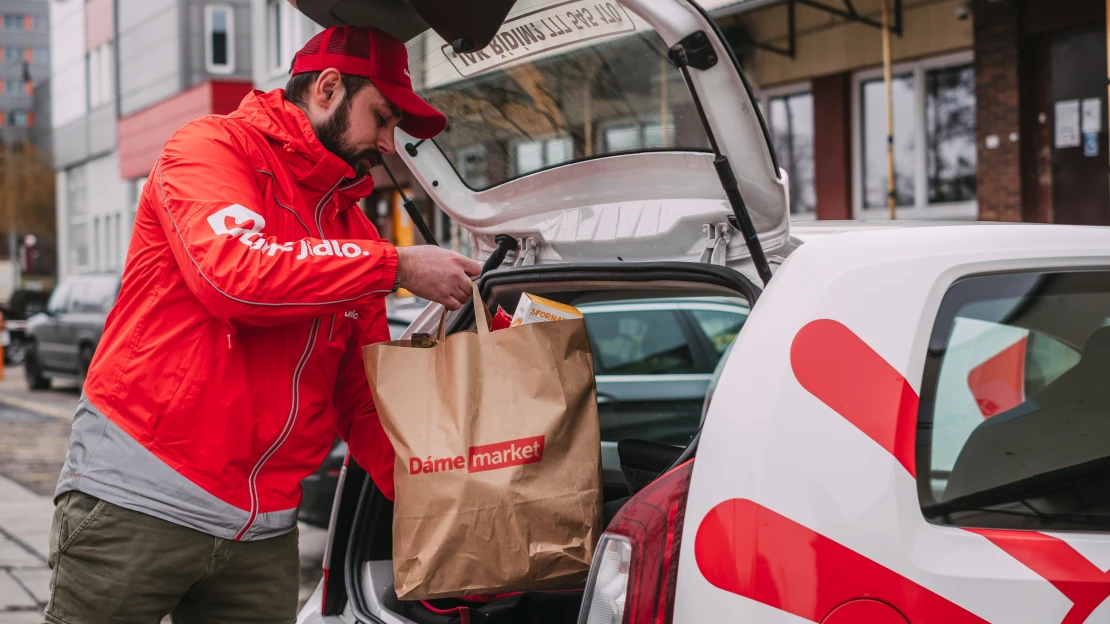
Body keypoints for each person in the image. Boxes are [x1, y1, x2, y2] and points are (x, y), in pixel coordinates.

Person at [43, 26, 480, 624]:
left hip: (264, 534)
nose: (387, 144)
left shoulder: (354, 234)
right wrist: (397, 265)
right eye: (381, 119)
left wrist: (450, 510)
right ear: (328, 88)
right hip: (138, 502)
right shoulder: (209, 148)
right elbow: (235, 279)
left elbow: (362, 398)